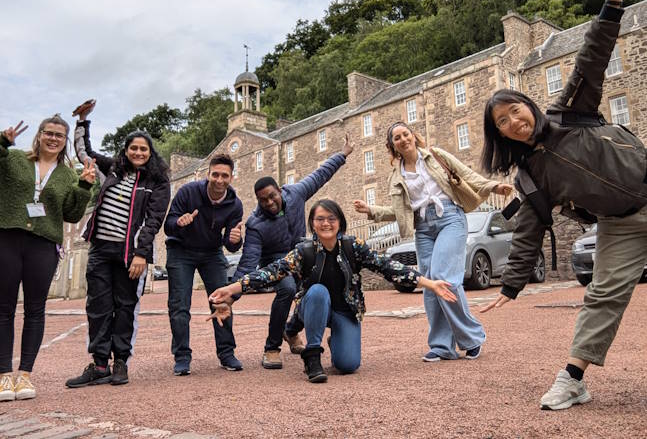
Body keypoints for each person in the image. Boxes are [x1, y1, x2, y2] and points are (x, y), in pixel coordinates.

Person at [479, 0, 645, 411]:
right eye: (503, 123)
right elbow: (528, 234)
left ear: (528, 106)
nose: (515, 122)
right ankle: (573, 380)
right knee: (603, 297)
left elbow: (590, 57)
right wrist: (509, 287)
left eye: (515, 111)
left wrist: (613, 3)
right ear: (500, 136)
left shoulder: (570, 111)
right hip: (621, 224)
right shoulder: (529, 177)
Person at [209, 199, 457, 383]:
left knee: (348, 365)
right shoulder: (303, 252)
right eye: (319, 219)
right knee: (317, 292)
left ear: (340, 222)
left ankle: (302, 328)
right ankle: (313, 356)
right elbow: (272, 272)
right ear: (312, 224)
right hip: (314, 304)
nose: (326, 223)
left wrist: (430, 283)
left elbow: (387, 266)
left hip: (344, 310)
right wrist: (232, 288)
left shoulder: (353, 247)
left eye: (331, 218)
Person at [353, 122, 511, 362]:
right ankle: (441, 346)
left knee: (444, 277)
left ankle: (471, 338)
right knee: (429, 284)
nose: (403, 139)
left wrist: (493, 186)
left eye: (405, 134)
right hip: (423, 228)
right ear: (392, 146)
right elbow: (399, 211)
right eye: (397, 138)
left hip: (450, 218)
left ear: (413, 136)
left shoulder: (436, 156)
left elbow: (466, 175)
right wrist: (370, 210)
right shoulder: (396, 177)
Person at [0, 116, 95, 402]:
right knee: (4, 309)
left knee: (35, 310)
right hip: (5, 239)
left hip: (43, 245)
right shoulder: (11, 159)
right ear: (39, 135)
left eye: (60, 135)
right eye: (48, 133)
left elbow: (72, 215)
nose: (53, 138)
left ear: (64, 141)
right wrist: (0, 142)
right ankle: (4, 378)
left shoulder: (67, 175)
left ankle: (25, 375)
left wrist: (84, 187)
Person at [65, 101, 170, 388]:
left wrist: (140, 254)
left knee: (125, 307)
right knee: (98, 307)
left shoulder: (158, 182)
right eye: (133, 148)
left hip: (130, 257)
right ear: (125, 151)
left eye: (143, 149)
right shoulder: (111, 170)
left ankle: (121, 362)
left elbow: (153, 220)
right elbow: (83, 152)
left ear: (150, 154)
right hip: (100, 249)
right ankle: (100, 364)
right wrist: (83, 121)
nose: (138, 152)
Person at [230, 134, 354, 369]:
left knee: (321, 285)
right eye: (262, 200)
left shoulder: (295, 193)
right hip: (276, 262)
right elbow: (247, 265)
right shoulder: (255, 224)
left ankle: (292, 329)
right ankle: (272, 348)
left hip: (301, 256)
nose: (268, 203)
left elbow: (320, 175)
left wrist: (343, 154)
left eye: (271, 196)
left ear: (280, 190)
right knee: (287, 289)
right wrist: (231, 296)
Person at [164, 154, 244, 375]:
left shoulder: (234, 205)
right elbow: (168, 225)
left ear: (231, 177)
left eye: (224, 175)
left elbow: (231, 242)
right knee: (179, 305)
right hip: (181, 250)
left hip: (211, 252)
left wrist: (236, 241)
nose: (219, 180)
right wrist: (179, 222)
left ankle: (227, 353)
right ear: (208, 174)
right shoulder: (187, 192)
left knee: (222, 300)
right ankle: (182, 357)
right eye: (215, 174)